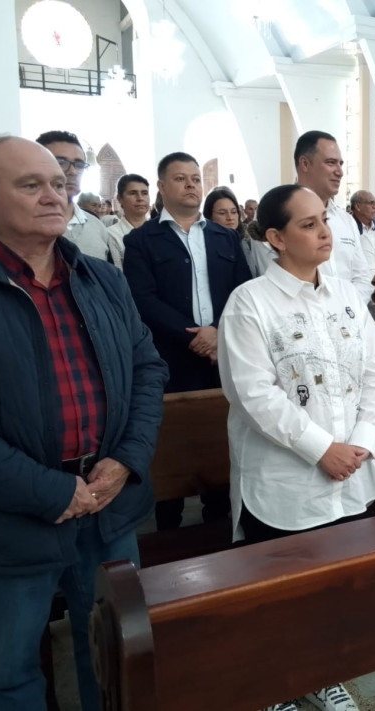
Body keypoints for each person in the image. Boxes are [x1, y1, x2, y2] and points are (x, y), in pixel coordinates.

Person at [0, 136, 168, 711]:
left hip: (109, 504)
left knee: (112, 656)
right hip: (10, 519)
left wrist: (126, 460)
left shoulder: (101, 279)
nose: (55, 195)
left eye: (58, 182)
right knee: (14, 667)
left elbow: (148, 370)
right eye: (30, 185)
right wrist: (51, 491)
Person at [218, 184, 375, 711]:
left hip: (350, 471)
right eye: (308, 224)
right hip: (285, 479)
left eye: (324, 221)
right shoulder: (250, 302)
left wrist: (360, 445)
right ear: (276, 237)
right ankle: (274, 687)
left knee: (336, 588)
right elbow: (253, 395)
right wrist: (322, 449)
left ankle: (322, 673)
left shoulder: (346, 297)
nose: (324, 232)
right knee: (280, 591)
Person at [123, 151, 251, 530]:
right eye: (181, 178)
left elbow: (243, 292)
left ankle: (218, 521)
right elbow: (142, 299)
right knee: (172, 446)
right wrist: (193, 336)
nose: (191, 185)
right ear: (162, 186)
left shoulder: (225, 238)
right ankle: (168, 526)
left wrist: (219, 333)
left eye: (195, 178)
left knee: (219, 439)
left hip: (222, 357)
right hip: (170, 360)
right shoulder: (142, 240)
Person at [294, 131, 373, 303]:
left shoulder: (346, 220)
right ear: (305, 164)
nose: (340, 172)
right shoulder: (280, 215)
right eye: (331, 163)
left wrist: (345, 310)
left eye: (341, 164)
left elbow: (363, 278)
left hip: (349, 314)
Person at [35, 131, 124, 268]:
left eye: (79, 164)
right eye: (61, 162)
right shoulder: (23, 225)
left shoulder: (97, 226)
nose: (73, 171)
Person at [205, 185, 272, 279]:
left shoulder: (248, 241)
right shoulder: (204, 245)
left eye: (233, 212)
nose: (230, 218)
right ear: (209, 216)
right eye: (222, 213)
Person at [108, 173, 152, 242]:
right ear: (120, 198)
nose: (140, 198)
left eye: (144, 193)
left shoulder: (160, 230)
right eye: (133, 193)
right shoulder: (111, 235)